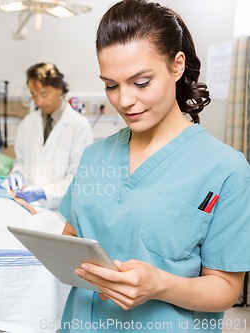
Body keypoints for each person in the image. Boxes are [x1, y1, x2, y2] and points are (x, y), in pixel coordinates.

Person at [59, 1, 250, 332]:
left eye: (141, 82)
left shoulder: (226, 169)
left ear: (177, 65)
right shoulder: (95, 156)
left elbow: (225, 289)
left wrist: (160, 285)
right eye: (111, 85)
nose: (124, 100)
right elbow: (72, 239)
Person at [9, 62, 93, 209]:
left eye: (44, 94)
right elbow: (21, 161)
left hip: (60, 211)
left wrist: (44, 192)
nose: (39, 102)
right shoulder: (27, 123)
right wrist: (17, 174)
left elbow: (77, 179)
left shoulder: (79, 127)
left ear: (59, 89)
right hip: (27, 207)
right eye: (34, 95)